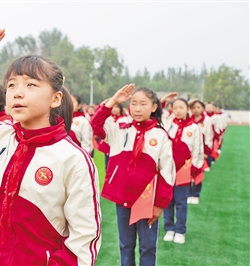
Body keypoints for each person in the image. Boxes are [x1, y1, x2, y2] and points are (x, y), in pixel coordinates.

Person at [0, 28, 101, 265]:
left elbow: (83, 241)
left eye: (31, 85)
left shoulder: (72, 159)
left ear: (55, 99)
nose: (18, 93)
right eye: (11, 85)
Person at [91, 85, 175, 266]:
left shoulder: (161, 136)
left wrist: (159, 204)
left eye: (143, 104)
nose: (137, 108)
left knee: (147, 247)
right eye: (133, 103)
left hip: (147, 202)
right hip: (123, 198)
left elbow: (167, 173)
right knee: (126, 246)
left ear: (154, 107)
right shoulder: (119, 130)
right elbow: (95, 125)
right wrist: (113, 101)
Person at [163, 98, 203, 244]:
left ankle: (180, 230)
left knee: (181, 202)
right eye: (175, 108)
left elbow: (198, 149)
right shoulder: (168, 123)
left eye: (181, 107)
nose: (178, 111)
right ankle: (169, 228)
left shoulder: (194, 128)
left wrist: (195, 169)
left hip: (184, 170)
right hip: (167, 169)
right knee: (167, 201)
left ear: (187, 109)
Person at [188, 100, 213, 203]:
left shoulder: (207, 121)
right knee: (188, 173)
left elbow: (209, 136)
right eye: (193, 108)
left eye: (198, 107)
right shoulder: (189, 119)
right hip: (189, 151)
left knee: (198, 171)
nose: (196, 110)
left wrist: (207, 151)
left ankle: (196, 194)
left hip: (201, 151)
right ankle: (188, 193)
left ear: (203, 108)